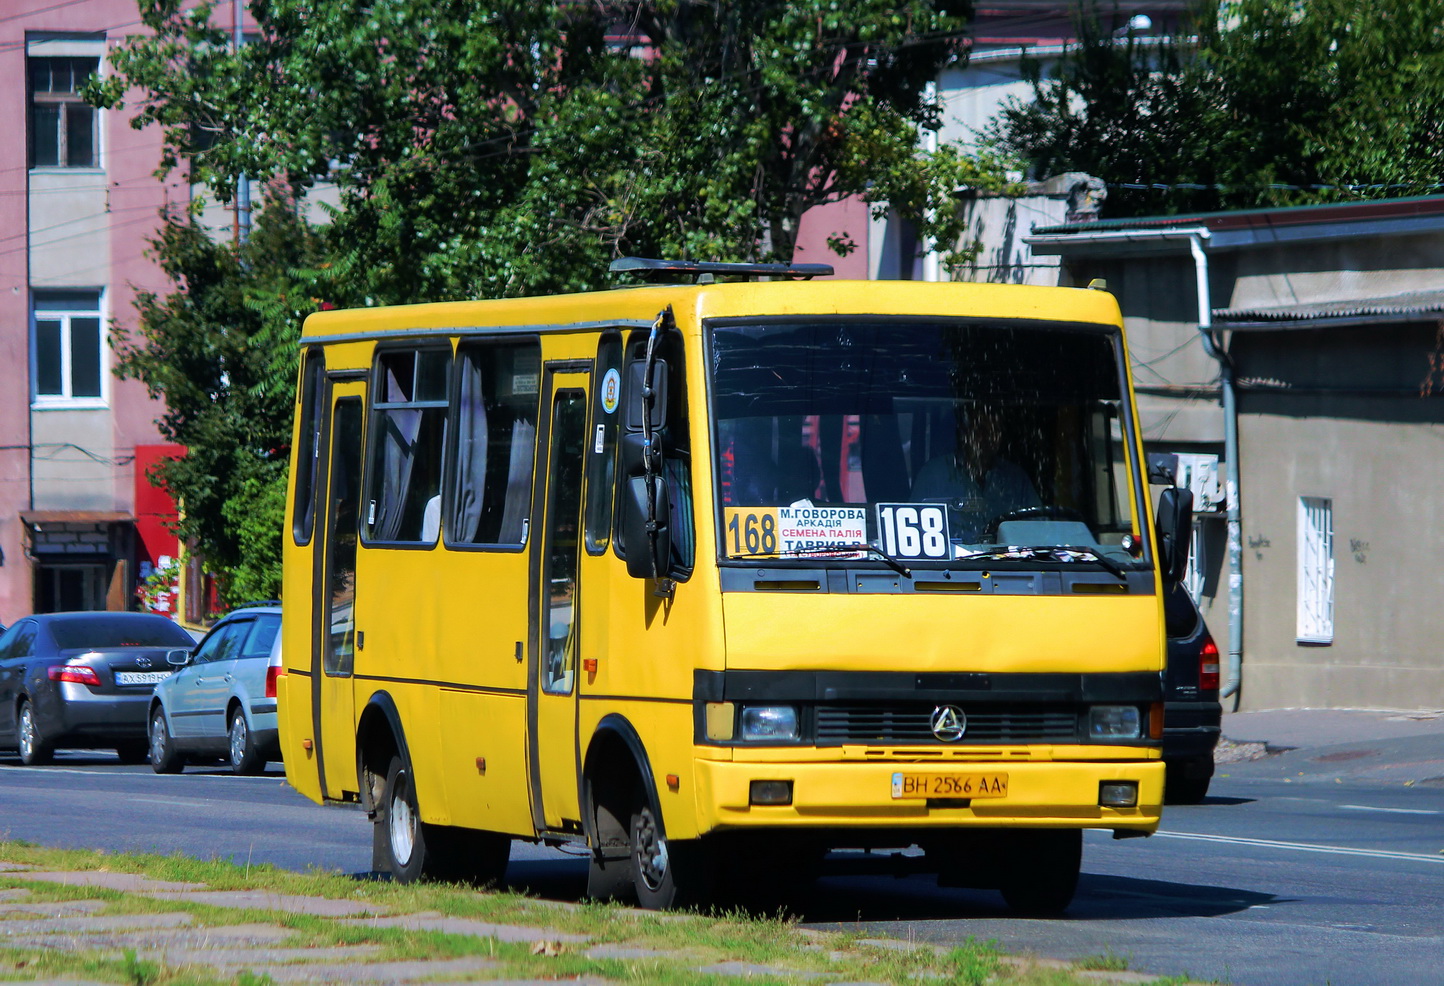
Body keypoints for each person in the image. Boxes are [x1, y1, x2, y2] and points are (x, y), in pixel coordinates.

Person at [910, 403, 1040, 541]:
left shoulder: (1016, 479)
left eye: (995, 430)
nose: (987, 438)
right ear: (964, 433)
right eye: (980, 430)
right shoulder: (933, 475)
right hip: (951, 562)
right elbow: (914, 531)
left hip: (1006, 561)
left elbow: (1039, 530)